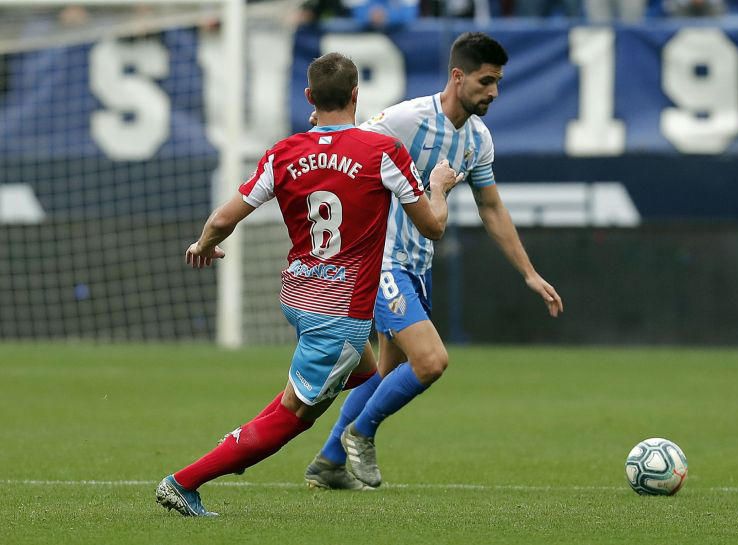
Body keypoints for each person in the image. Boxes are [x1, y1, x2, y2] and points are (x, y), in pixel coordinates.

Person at [155, 52, 462, 516]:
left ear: (308, 97)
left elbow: (222, 218)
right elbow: (433, 227)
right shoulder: (382, 152)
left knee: (364, 371)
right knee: (293, 418)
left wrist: (203, 244)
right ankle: (186, 481)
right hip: (339, 314)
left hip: (299, 297)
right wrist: (439, 186)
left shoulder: (283, 153)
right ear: (356, 95)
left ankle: (241, 442)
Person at [304, 32, 563, 490]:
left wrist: (529, 272)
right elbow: (349, 146)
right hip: (381, 261)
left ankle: (327, 462)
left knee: (384, 371)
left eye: (499, 83)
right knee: (431, 361)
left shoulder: (478, 139)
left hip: (417, 265)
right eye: (486, 81)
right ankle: (359, 435)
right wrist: (323, 133)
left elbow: (491, 207)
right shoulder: (406, 119)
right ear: (457, 76)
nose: (494, 93)